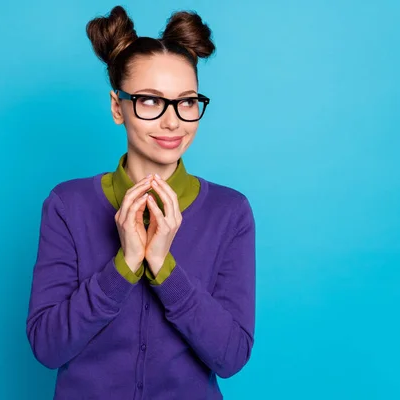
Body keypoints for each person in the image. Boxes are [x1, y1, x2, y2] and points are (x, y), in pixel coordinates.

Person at [26, 5, 256, 399]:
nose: (173, 121)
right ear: (118, 107)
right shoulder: (68, 204)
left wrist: (164, 268)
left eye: (187, 101)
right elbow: (47, 347)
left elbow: (231, 356)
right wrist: (125, 265)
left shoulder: (229, 212)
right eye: (150, 101)